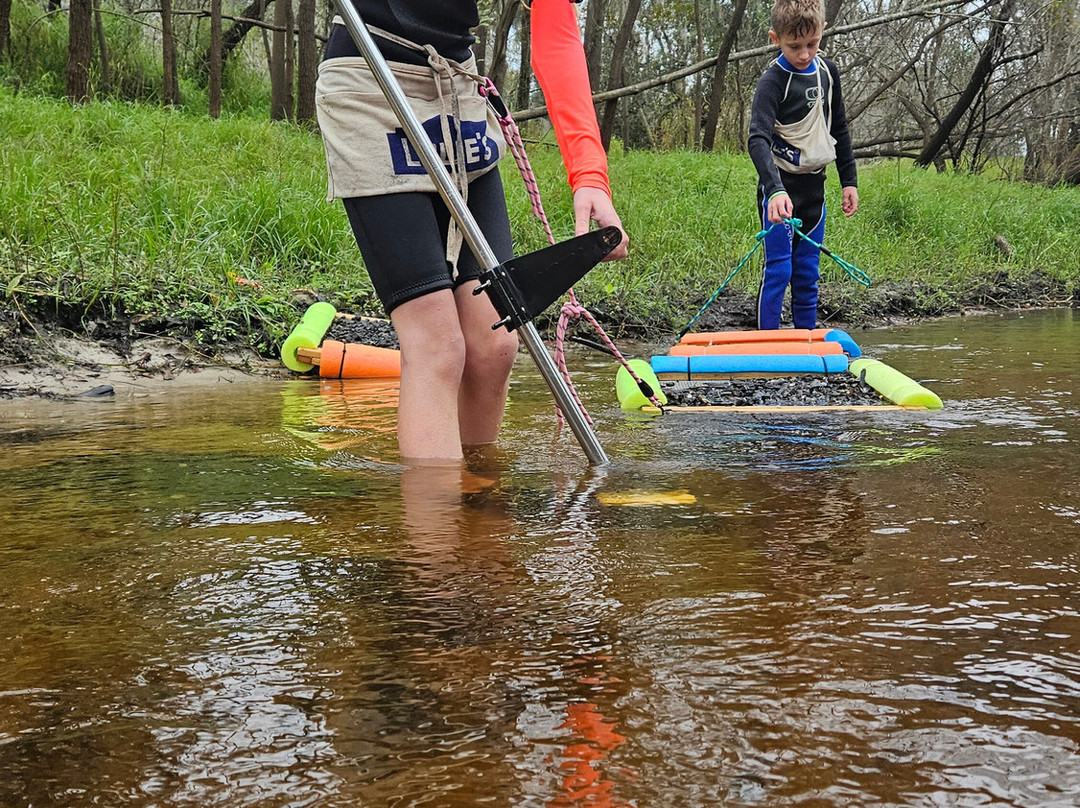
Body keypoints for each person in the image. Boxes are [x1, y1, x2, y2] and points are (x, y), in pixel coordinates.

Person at [315, 0, 628, 466]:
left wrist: (588, 175)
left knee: (495, 344)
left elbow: (556, 32)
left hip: (456, 90)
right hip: (370, 78)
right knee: (439, 346)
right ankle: (438, 533)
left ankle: (480, 521)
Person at [747, 0, 858, 331]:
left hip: (815, 192)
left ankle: (806, 343)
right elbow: (757, 140)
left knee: (808, 273)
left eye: (813, 44)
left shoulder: (828, 73)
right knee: (780, 270)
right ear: (775, 38)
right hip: (780, 190)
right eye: (795, 46)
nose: (805, 53)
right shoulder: (773, 80)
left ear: (822, 31)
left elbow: (838, 129)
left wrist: (848, 181)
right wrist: (775, 189)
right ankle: (767, 348)